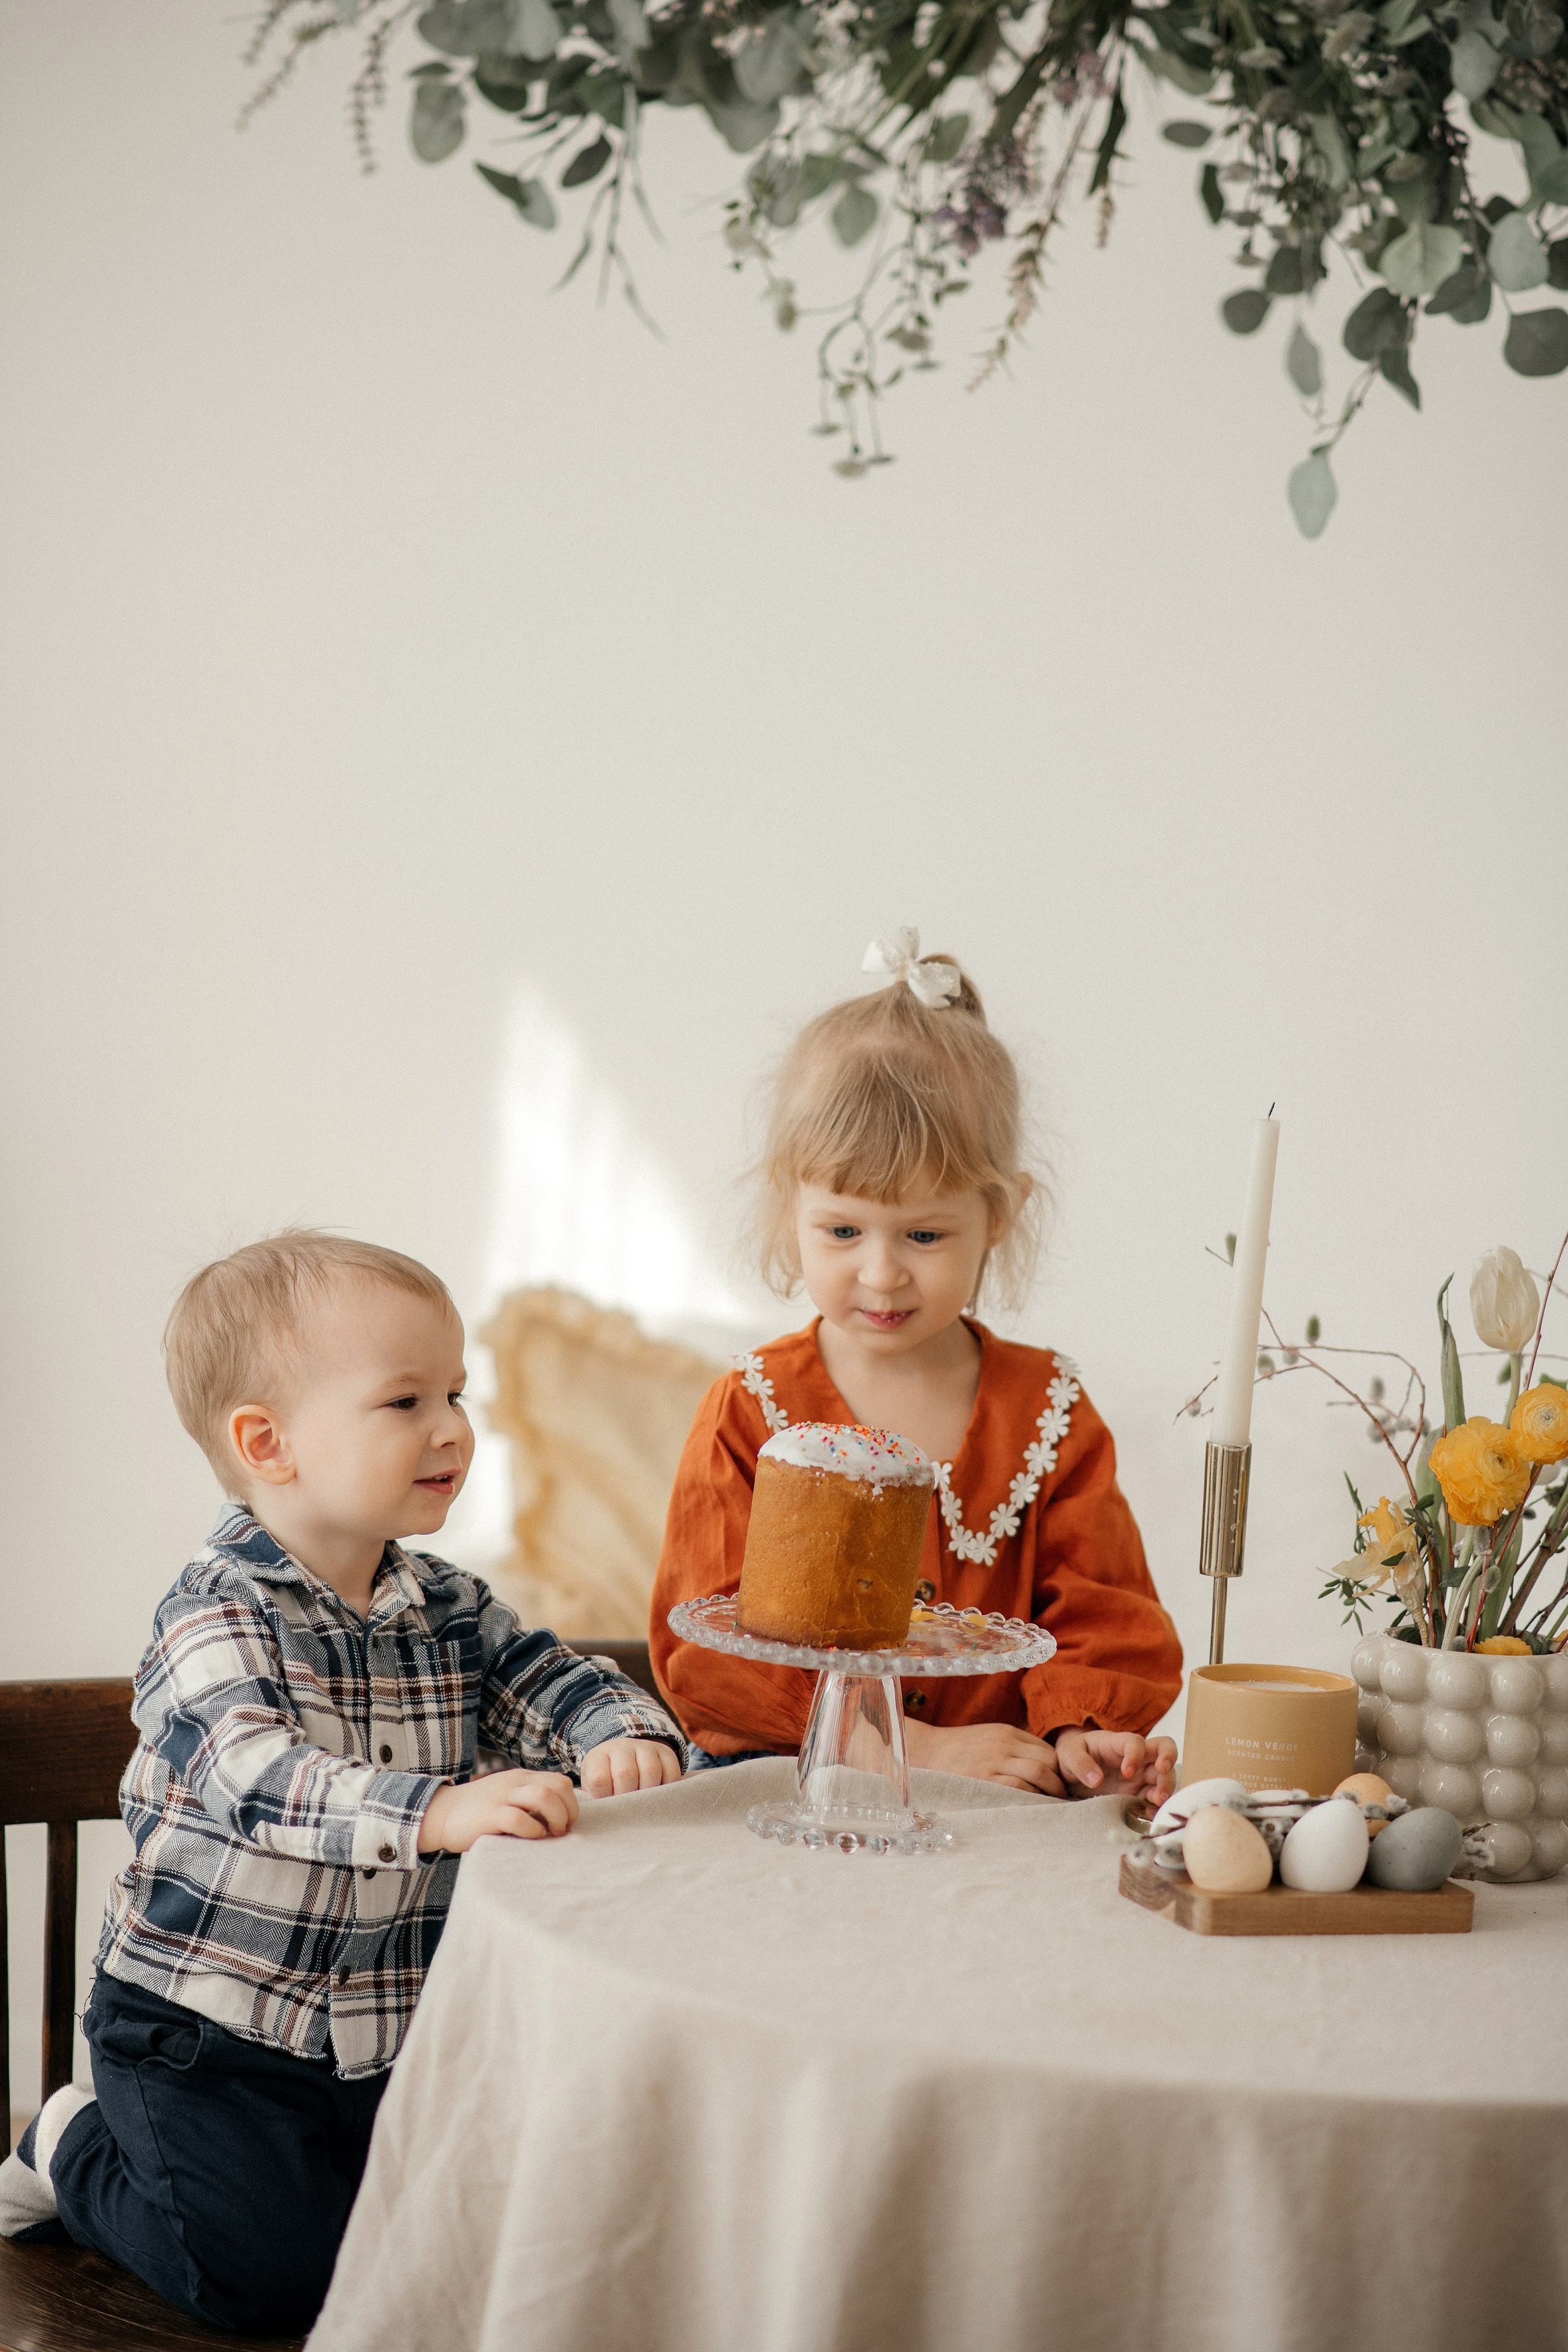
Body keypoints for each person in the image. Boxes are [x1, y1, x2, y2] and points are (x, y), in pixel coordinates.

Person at [0, 1231, 685, 2337]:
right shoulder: (215, 1611)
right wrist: (441, 1812)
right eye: (405, 1400)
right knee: (262, 2282)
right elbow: (256, 1778)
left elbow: (554, 1677)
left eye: (457, 1392)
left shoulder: (448, 1604)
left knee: (451, 2248)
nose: (455, 1428)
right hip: (204, 2033)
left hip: (386, 2030)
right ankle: (71, 2142)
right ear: (269, 1445)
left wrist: (620, 1732)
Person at [651, 932, 1181, 1806]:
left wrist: (1086, 1733)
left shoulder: (1049, 1411)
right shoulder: (748, 1411)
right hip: (801, 1794)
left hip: (1003, 1803)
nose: (882, 1273)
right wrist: (910, 1745)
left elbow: (1101, 1606)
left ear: (1001, 1215)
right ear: (792, 1208)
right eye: (843, 1231)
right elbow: (709, 1652)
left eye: (925, 1235)